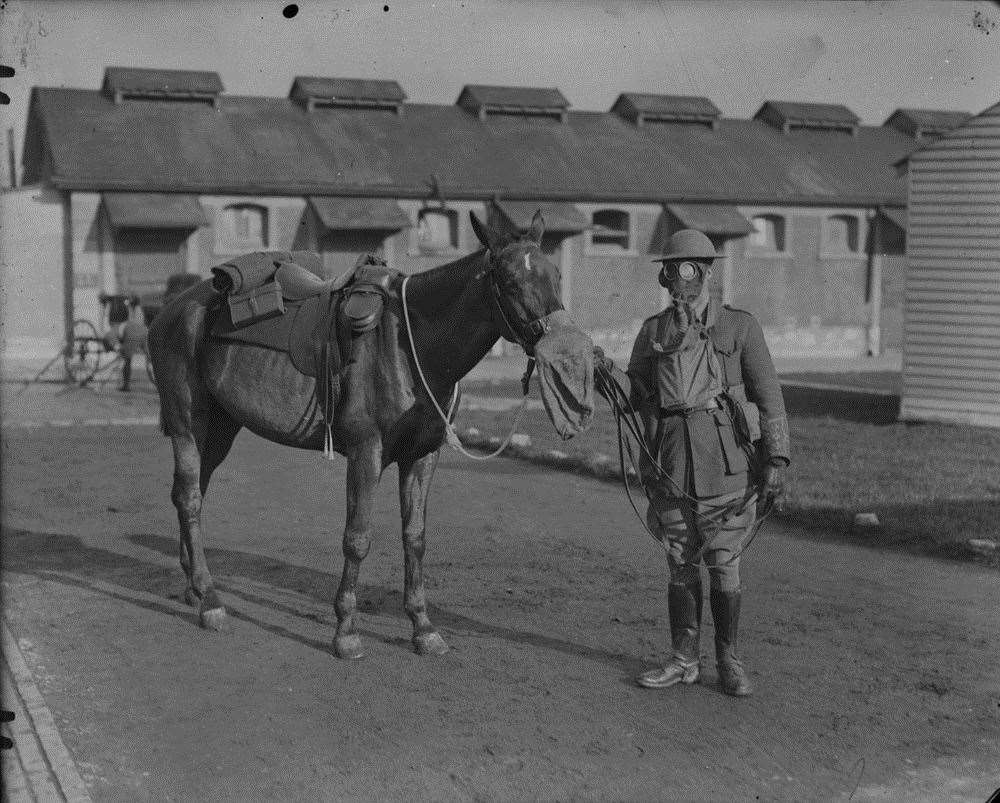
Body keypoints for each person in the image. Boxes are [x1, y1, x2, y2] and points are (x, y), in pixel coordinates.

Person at [617, 228, 790, 697]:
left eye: (689, 269)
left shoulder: (739, 327)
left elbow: (767, 394)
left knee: (724, 562)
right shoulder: (653, 332)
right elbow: (636, 393)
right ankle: (682, 659)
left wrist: (776, 456)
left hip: (728, 460)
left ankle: (728, 661)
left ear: (707, 273)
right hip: (671, 459)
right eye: (672, 270)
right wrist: (604, 375)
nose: (679, 279)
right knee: (679, 560)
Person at [117, 297, 148, 392]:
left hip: (133, 332)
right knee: (149, 357)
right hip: (142, 332)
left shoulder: (132, 311)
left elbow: (128, 325)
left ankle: (126, 385)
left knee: (127, 360)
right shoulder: (139, 311)